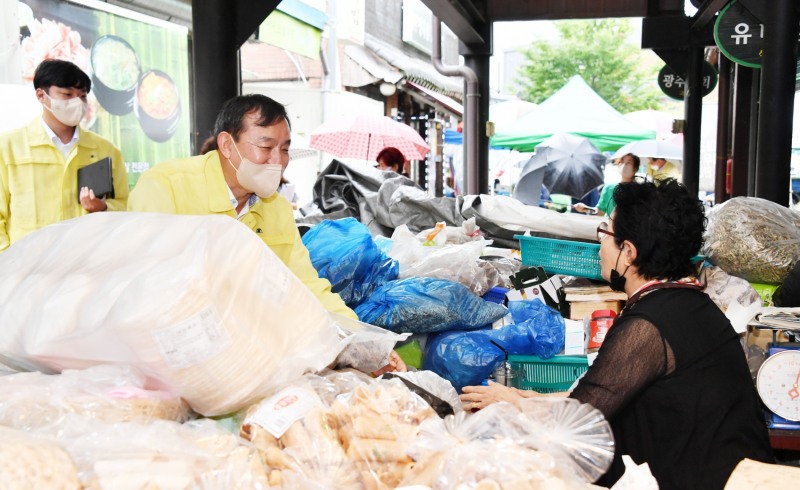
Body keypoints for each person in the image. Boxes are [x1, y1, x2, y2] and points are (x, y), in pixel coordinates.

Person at [460, 179, 773, 489]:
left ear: (629, 253)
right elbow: (603, 395)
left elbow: (579, 422)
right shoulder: (692, 305)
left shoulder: (648, 326)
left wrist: (514, 405)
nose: (599, 246)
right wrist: (530, 399)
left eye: (605, 233)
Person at [0, 59, 129, 251]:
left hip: (88, 265)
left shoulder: (106, 151)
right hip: (29, 269)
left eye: (82, 96)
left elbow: (126, 208)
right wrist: (8, 263)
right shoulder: (8, 147)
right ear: (41, 95)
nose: (77, 103)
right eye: (67, 94)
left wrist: (102, 208)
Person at [574, 153, 640, 216]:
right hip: (609, 227)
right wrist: (585, 209)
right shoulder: (609, 188)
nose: (624, 165)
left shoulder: (639, 191)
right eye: (622, 162)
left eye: (629, 163)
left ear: (635, 169)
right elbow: (600, 212)